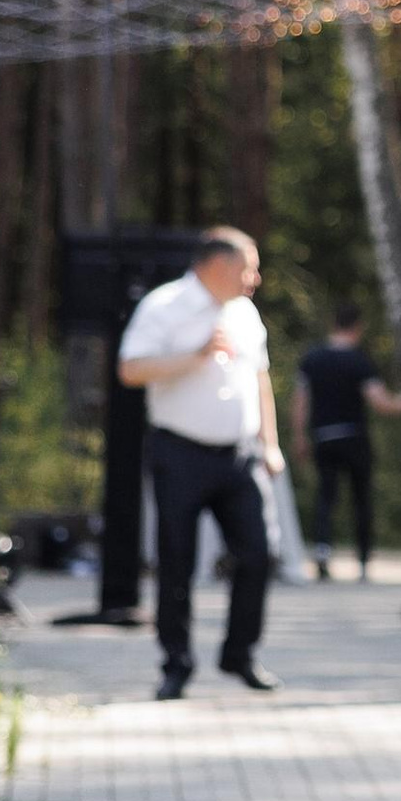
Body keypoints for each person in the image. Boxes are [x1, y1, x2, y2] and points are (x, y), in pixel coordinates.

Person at [117, 225, 285, 702]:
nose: (255, 278)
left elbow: (260, 378)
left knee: (259, 553)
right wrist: (193, 357)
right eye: (248, 266)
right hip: (180, 452)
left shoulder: (246, 314)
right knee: (176, 563)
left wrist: (269, 444)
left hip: (239, 455)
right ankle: (177, 664)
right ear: (218, 266)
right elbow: (130, 369)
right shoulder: (164, 306)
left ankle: (240, 655)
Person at [292, 306, 401, 581]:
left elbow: (300, 401)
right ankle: (364, 560)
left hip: (323, 436)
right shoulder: (359, 361)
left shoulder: (312, 358)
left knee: (325, 497)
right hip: (354, 436)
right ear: (358, 327)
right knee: (361, 498)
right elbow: (379, 401)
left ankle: (322, 551)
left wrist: (299, 435)